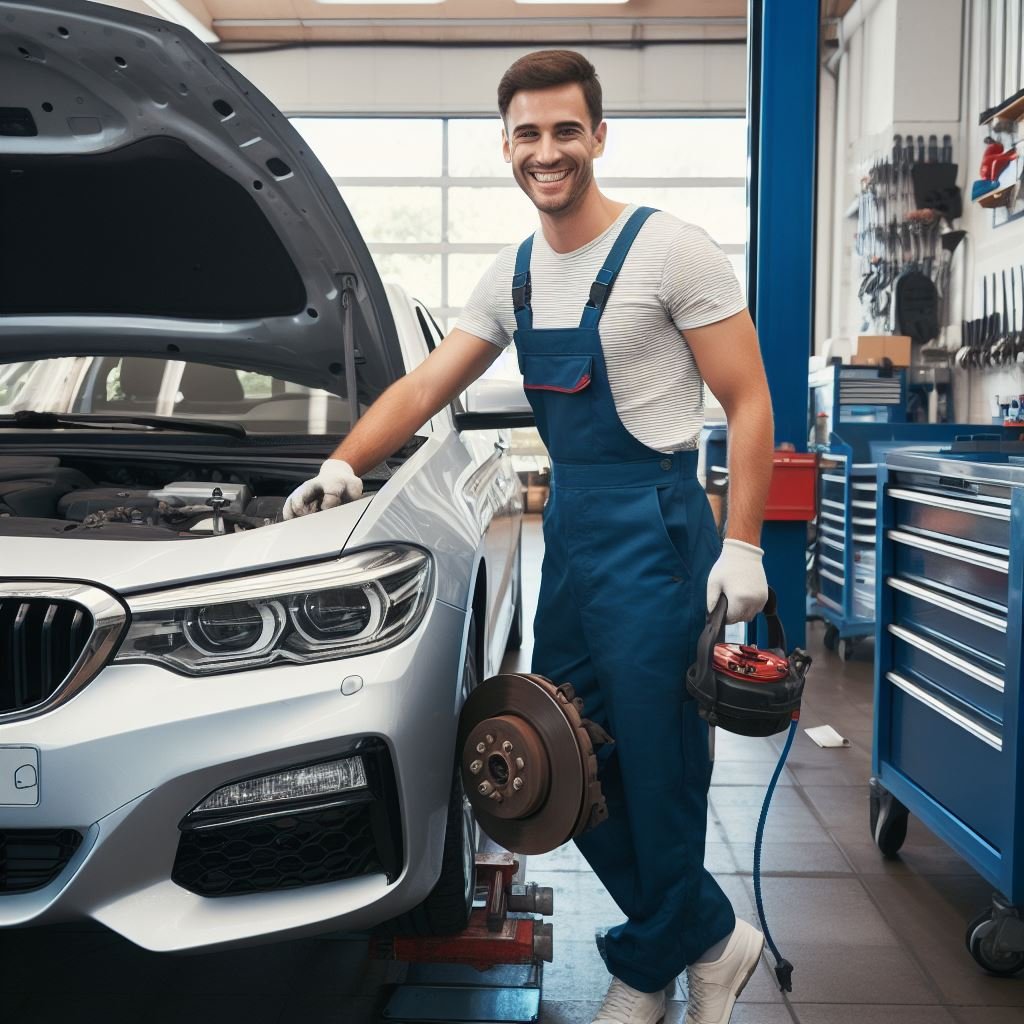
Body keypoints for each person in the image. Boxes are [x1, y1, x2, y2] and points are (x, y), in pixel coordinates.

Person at [284, 49, 774, 1024]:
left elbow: (749, 398)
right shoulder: (512, 278)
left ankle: (648, 972)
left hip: (659, 528)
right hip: (576, 541)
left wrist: (746, 543)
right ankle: (710, 939)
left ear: (596, 136)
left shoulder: (669, 250)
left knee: (661, 764)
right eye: (526, 133)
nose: (544, 151)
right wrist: (346, 461)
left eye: (563, 130)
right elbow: (427, 386)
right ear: (505, 145)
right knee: (559, 763)